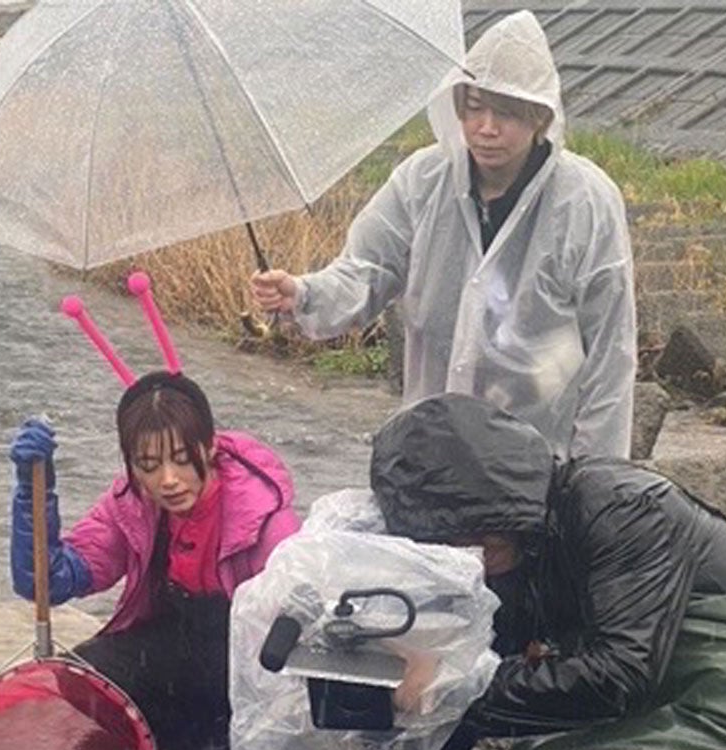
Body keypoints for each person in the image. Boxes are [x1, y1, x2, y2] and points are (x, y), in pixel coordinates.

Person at [249, 9, 636, 461]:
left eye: (506, 113)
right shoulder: (422, 180)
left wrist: (598, 480)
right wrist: (301, 293)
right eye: (474, 108)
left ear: (539, 118)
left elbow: (610, 351)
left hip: (539, 457)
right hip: (433, 449)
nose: (486, 128)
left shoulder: (585, 202)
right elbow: (365, 271)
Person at [369, 393, 726, 750]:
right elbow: (503, 673)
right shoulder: (514, 548)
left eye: (470, 538)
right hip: (665, 687)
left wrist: (454, 688)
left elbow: (618, 676)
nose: (466, 555)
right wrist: (393, 708)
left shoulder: (620, 506)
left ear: (502, 501)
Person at [9, 370, 300, 750]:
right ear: (131, 466)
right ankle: (161, 744)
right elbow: (50, 581)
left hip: (241, 660)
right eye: (148, 465)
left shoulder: (265, 519)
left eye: (181, 459)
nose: (168, 480)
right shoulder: (131, 503)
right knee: (79, 674)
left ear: (209, 447)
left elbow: (299, 621)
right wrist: (35, 493)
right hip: (173, 642)